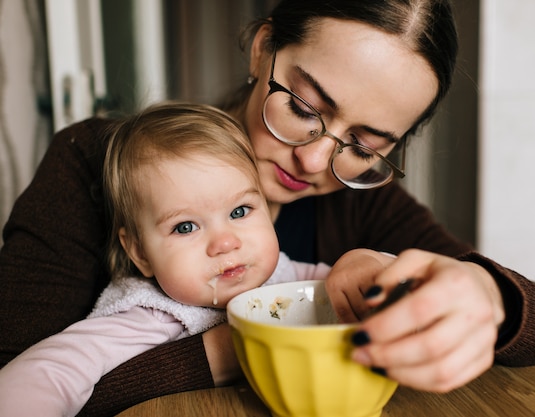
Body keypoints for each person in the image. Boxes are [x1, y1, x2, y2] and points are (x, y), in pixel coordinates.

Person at [0, 1, 535, 415]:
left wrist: (486, 295)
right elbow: (24, 376)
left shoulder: (362, 203)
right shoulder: (97, 163)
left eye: (365, 145)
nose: (318, 161)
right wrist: (243, 347)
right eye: (303, 107)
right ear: (263, 47)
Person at [0, 102, 332, 416]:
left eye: (239, 211)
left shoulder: (286, 277)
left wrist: (366, 269)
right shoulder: (150, 314)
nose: (226, 242)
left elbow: (344, 288)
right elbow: (49, 372)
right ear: (140, 253)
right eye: (185, 227)